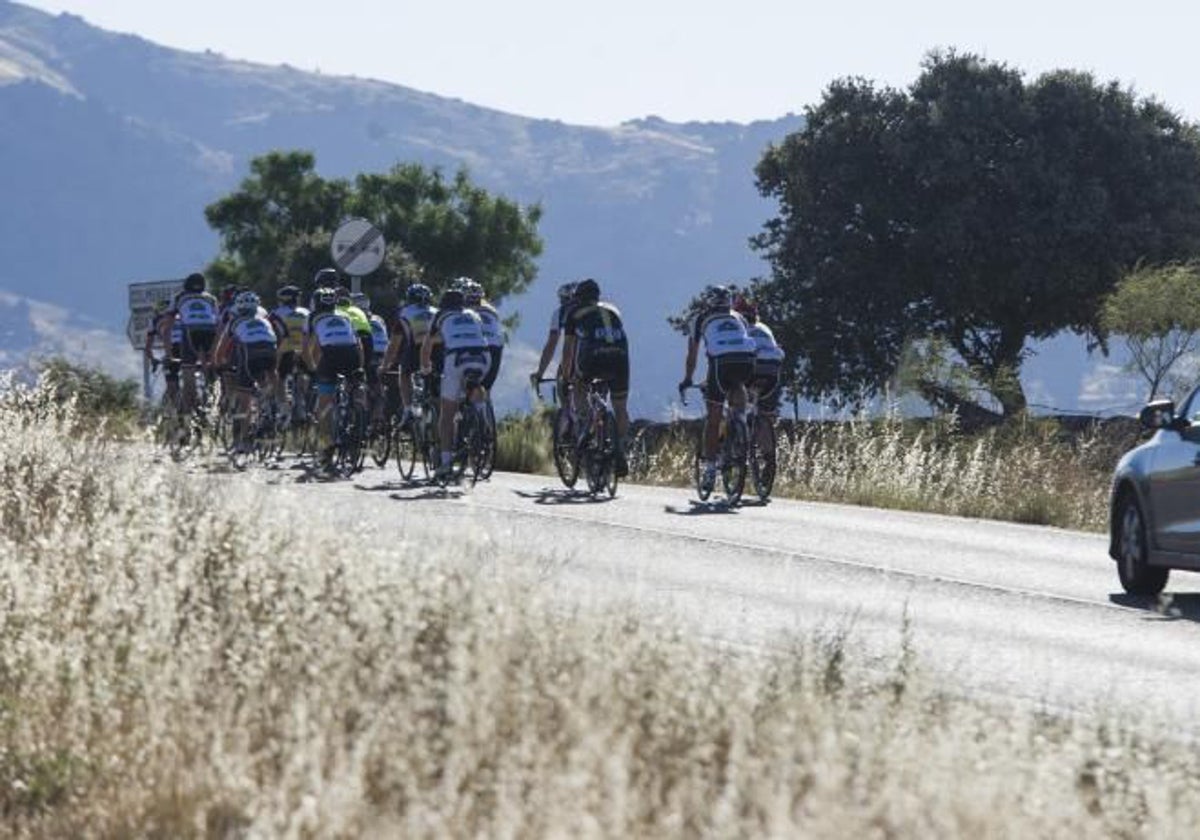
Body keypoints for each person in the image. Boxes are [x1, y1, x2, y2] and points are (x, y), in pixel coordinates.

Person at [680, 284, 757, 492]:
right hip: (748, 361)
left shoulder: (700, 318)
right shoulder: (739, 317)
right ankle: (741, 424)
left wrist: (688, 378)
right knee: (738, 387)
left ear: (709, 302)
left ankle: (711, 469)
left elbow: (693, 355)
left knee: (713, 418)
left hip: (720, 364)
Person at [560, 278, 631, 477]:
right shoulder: (612, 311)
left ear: (578, 298)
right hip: (620, 357)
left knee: (579, 386)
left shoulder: (573, 314)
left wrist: (567, 378)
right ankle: (620, 449)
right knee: (620, 407)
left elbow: (568, 351)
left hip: (593, 358)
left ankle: (584, 426)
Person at [420, 288, 489, 482]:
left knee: (447, 414)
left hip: (457, 358)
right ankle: (480, 413)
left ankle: (446, 463)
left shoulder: (440, 316)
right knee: (475, 383)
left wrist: (426, 368)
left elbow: (427, 345)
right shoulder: (474, 314)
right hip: (483, 356)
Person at [302, 287, 364, 468]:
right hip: (352, 354)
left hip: (330, 356)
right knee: (355, 388)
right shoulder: (345, 316)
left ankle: (327, 450)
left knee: (325, 406)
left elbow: (307, 349)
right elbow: (358, 344)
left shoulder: (312, 317)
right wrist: (360, 367)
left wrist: (313, 368)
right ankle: (358, 421)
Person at [214, 290, 278, 451]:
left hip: (250, 357)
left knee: (245, 400)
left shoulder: (234, 322)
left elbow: (221, 350)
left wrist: (218, 364)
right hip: (270, 352)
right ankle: (275, 406)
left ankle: (244, 440)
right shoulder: (264, 320)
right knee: (267, 379)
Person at [734, 293, 785, 450]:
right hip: (773, 371)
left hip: (753, 368)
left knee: (733, 394)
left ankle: (738, 438)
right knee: (763, 413)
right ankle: (768, 456)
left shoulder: (738, 328)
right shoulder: (764, 328)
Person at [383, 282, 437, 427]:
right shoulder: (436, 311)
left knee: (404, 373)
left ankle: (408, 409)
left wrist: (385, 365)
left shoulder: (404, 312)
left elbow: (394, 345)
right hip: (438, 348)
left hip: (417, 348)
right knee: (438, 375)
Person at [170, 272, 220, 410]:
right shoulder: (211, 298)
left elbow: (167, 325)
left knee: (188, 372)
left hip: (190, 331)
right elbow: (219, 322)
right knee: (209, 367)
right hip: (211, 330)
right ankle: (212, 398)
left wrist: (169, 354)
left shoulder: (179, 297)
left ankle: (190, 411)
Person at [269, 285, 310, 422]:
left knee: (280, 380)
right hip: (305, 350)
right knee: (304, 376)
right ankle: (303, 406)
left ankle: (284, 409)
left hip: (285, 350)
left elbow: (274, 334)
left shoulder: (276, 313)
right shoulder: (306, 312)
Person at [459, 278, 504, 391]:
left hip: (476, 348)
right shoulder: (492, 311)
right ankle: (484, 404)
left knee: (461, 383)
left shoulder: (463, 313)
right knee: (485, 388)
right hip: (496, 348)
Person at [530, 281, 577, 390]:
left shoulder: (560, 313)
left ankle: (567, 406)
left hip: (576, 356)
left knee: (563, 379)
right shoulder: (596, 308)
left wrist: (540, 373)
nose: (560, 302)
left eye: (562, 299)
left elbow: (551, 345)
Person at [147, 298, 182, 408]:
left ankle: (177, 412)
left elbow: (148, 348)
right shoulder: (181, 316)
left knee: (172, 383)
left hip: (171, 350)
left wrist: (153, 360)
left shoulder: (155, 320)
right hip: (189, 346)